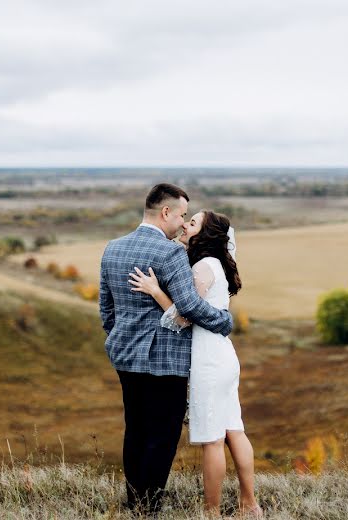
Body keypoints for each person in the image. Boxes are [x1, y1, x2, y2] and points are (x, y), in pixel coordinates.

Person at [99, 183, 234, 515]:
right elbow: (188, 306)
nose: (182, 223)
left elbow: (106, 310)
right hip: (166, 358)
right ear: (166, 213)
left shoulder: (112, 248)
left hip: (124, 355)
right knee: (163, 434)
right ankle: (149, 506)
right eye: (182, 215)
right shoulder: (170, 252)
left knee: (137, 428)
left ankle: (136, 500)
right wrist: (223, 320)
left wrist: (120, 339)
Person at [129, 209, 262, 517]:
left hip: (209, 361)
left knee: (212, 440)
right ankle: (249, 504)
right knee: (234, 430)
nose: (185, 226)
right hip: (224, 356)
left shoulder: (203, 267)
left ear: (205, 235)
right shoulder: (217, 265)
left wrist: (155, 291)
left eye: (192, 223)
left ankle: (211, 512)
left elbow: (184, 315)